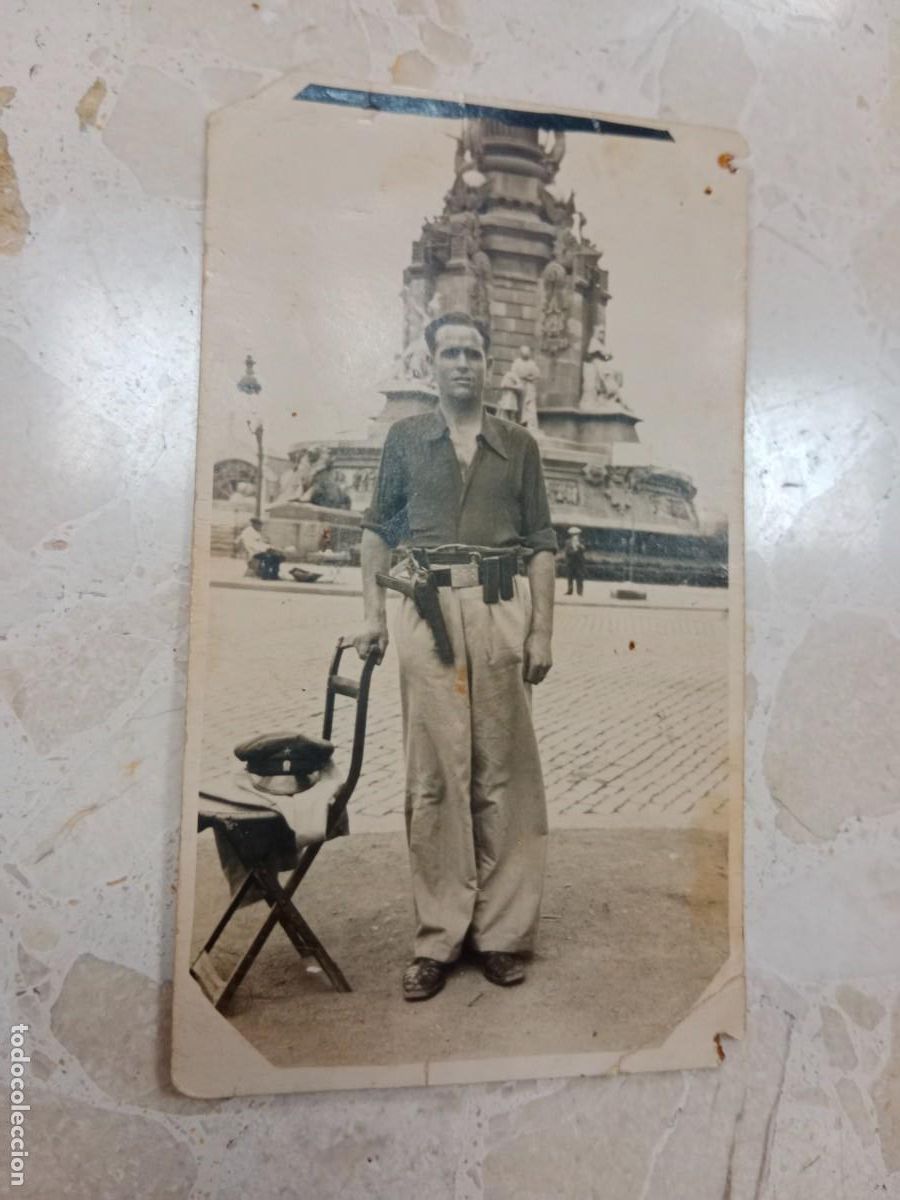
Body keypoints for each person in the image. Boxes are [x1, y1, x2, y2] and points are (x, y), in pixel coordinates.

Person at [354, 311, 557, 1001]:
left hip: (501, 612)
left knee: (504, 774)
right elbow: (378, 534)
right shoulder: (407, 440)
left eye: (474, 352)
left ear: (489, 363)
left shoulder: (519, 445)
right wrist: (372, 618)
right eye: (451, 353)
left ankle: (501, 935)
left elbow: (540, 543)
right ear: (432, 363)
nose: (463, 363)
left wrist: (541, 633)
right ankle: (439, 935)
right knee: (434, 776)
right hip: (426, 613)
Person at [564, 526, 586, 596]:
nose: (575, 536)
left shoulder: (581, 542)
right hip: (571, 562)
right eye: (574, 534)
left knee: (580, 577)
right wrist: (575, 550)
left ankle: (580, 591)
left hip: (579, 562)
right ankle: (570, 590)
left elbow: (584, 550)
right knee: (570, 577)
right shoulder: (567, 542)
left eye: (576, 534)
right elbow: (567, 552)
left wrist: (579, 546)